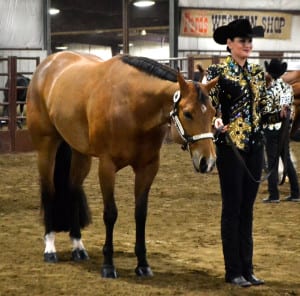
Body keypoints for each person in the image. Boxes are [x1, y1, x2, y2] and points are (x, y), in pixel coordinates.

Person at [206, 19, 267, 287]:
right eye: (242, 41)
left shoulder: (256, 72)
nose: (247, 45)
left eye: (249, 41)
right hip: (231, 148)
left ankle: (248, 268)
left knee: (247, 210)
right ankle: (233, 270)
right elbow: (207, 107)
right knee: (232, 208)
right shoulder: (217, 72)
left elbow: (262, 107)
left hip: (255, 145)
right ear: (229, 44)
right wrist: (216, 121)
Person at [262, 59, 300, 203]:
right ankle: (296, 193)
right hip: (284, 129)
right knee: (287, 160)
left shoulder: (269, 91)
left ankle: (274, 195)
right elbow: (288, 109)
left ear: (270, 74)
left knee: (272, 162)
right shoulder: (288, 88)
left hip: (271, 129)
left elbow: (266, 112)